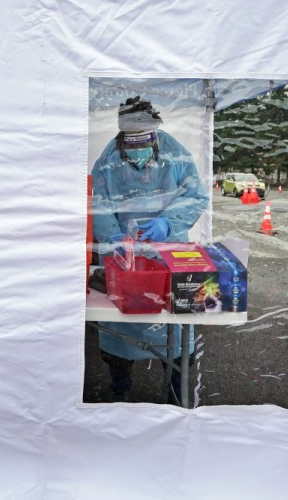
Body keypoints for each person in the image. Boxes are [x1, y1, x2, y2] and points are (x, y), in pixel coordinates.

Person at [91, 96, 209, 404]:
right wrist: (113, 237)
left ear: (154, 136)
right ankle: (120, 388)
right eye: (131, 147)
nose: (138, 154)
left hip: (168, 251)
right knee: (121, 328)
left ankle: (176, 394)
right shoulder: (107, 159)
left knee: (177, 329)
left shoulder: (175, 153)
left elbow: (195, 195)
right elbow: (100, 205)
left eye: (143, 144)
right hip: (125, 260)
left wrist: (168, 223)